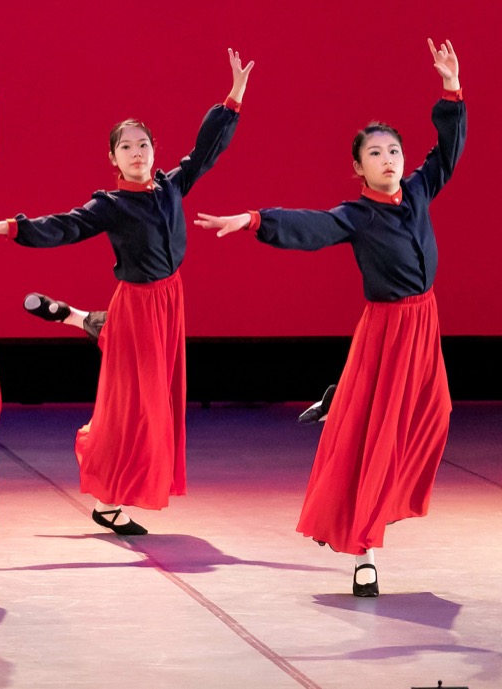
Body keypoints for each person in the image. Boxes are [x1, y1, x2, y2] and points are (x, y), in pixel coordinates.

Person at [194, 39, 464, 597]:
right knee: (375, 443)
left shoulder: (418, 191)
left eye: (394, 151)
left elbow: (447, 152)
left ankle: (341, 402)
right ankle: (364, 552)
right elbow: (310, 226)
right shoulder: (357, 215)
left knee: (435, 413)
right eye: (376, 153)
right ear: (358, 167)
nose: (388, 159)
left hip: (425, 324)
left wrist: (451, 90)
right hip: (387, 330)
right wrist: (253, 220)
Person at [0, 49, 253, 535]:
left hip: (171, 301)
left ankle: (79, 318)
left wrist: (233, 97)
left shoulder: (172, 186)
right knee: (139, 406)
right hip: (138, 303)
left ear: (154, 151)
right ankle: (102, 474)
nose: (137, 152)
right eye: (126, 147)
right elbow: (64, 226)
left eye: (143, 144)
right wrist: (8, 228)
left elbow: (206, 151)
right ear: (113, 158)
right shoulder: (110, 205)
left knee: (154, 399)